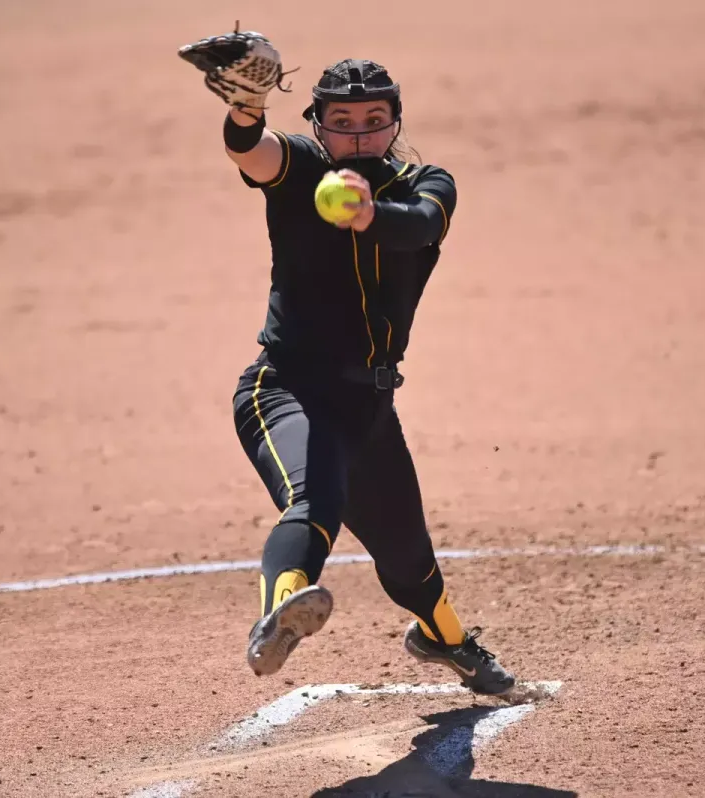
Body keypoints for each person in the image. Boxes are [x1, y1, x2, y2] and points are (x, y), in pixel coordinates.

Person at [178, 29, 515, 696]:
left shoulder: (429, 183)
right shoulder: (300, 167)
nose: (359, 135)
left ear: (395, 123)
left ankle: (444, 640)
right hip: (284, 391)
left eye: (374, 121)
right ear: (318, 126)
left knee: (410, 560)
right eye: (342, 123)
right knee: (315, 498)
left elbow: (420, 224)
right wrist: (245, 110)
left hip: (367, 408)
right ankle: (280, 611)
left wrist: (368, 216)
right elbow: (252, 153)